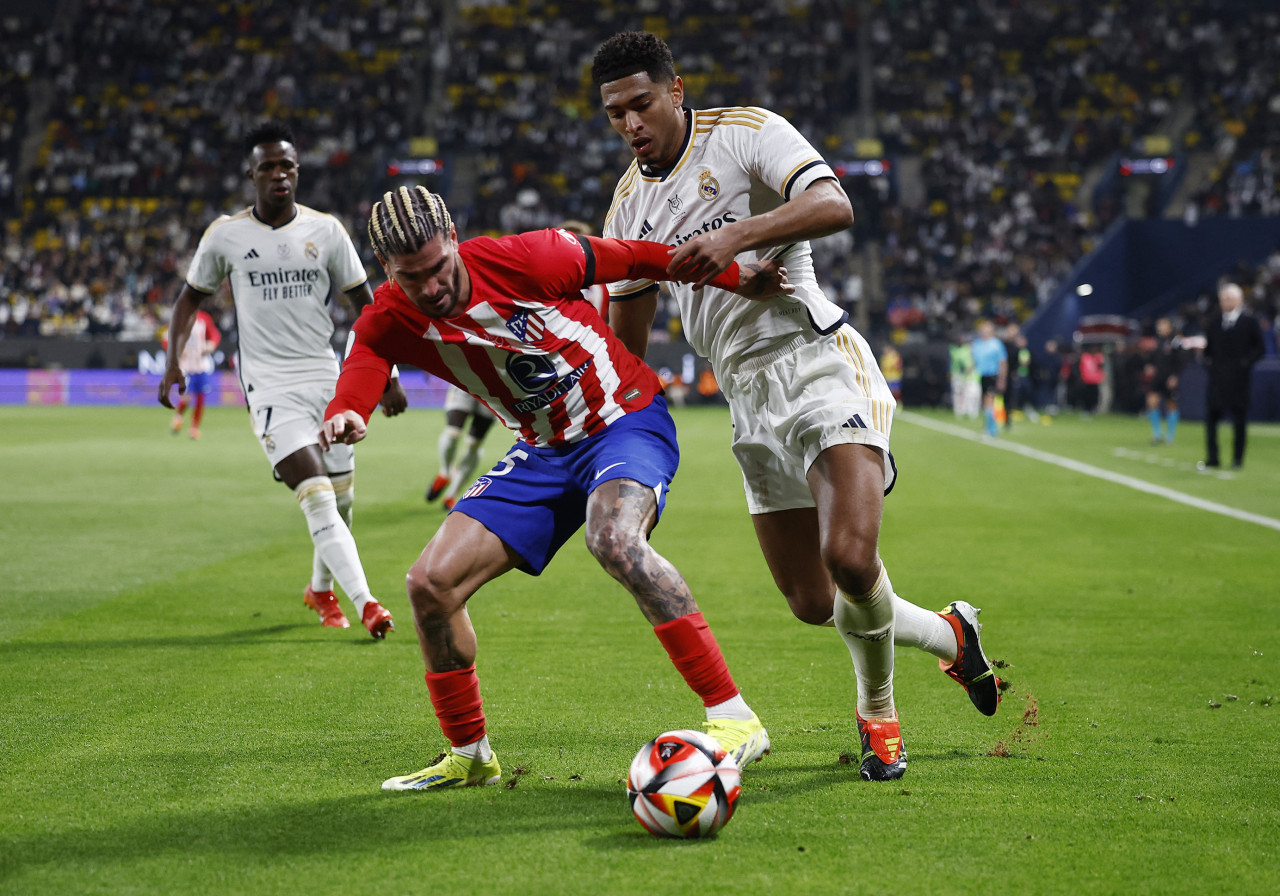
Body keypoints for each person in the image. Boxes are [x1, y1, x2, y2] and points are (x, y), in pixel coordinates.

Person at [592, 31, 1003, 783]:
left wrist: (736, 238)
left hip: (816, 364)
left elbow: (833, 203)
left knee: (851, 559)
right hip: (745, 402)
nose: (629, 125)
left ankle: (877, 712)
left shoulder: (747, 133)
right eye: (614, 113)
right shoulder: (627, 206)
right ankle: (952, 634)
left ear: (675, 91)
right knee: (814, 601)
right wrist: (623, 431)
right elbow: (629, 341)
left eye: (641, 105)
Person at [321, 186, 790, 790]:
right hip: (542, 452)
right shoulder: (389, 315)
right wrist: (348, 410)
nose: (432, 287)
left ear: (455, 240)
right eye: (413, 278)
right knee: (430, 585)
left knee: (614, 539)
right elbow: (362, 363)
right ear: (387, 270)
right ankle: (470, 754)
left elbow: (640, 257)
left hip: (623, 420)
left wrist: (738, 278)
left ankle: (735, 718)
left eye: (438, 268)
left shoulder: (533, 257)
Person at [158, 120, 406, 639]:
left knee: (342, 500)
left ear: (298, 172)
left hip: (327, 380)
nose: (278, 175)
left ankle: (320, 590)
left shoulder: (327, 232)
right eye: (268, 166)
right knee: (317, 494)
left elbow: (368, 307)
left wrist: (389, 374)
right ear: (251, 174)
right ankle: (368, 605)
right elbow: (189, 299)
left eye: (286, 166)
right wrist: (174, 362)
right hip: (270, 387)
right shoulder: (226, 236)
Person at [1200, 282, 1265, 469]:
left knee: (1239, 420)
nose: (1226, 301)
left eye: (1230, 298)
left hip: (1239, 381)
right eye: (1224, 298)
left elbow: (1259, 349)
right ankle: (1213, 458)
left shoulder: (1249, 322)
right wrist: (1209, 364)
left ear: (1239, 300)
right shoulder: (1214, 322)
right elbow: (1208, 349)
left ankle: (1237, 459)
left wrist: (1245, 364)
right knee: (1211, 419)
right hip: (1217, 379)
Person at [425, 383, 498, 511]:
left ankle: (452, 494)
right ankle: (445, 472)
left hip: (492, 386)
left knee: (474, 443)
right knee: (453, 432)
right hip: (464, 378)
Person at [165, 307, 221, 439]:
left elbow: (214, 334)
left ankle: (194, 428)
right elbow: (167, 337)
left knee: (201, 397)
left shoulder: (203, 318)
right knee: (187, 396)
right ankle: (178, 417)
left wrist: (211, 344)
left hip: (201, 365)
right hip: (186, 366)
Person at [1142, 317, 1185, 445]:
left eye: (1162, 325)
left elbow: (1181, 360)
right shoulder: (1158, 341)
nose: (1159, 327)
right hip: (1158, 377)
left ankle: (1170, 436)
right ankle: (1157, 434)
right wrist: (1150, 366)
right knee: (1151, 402)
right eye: (1158, 325)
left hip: (1169, 378)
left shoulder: (1176, 341)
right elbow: (1153, 358)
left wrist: (1175, 376)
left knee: (1171, 405)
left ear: (1169, 326)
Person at [971, 320, 1008, 436]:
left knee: (989, 400)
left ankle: (992, 429)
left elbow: (1003, 362)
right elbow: (975, 360)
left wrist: (1002, 379)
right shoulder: (977, 344)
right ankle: (988, 426)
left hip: (993, 375)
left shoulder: (996, 344)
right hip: (981, 375)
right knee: (985, 402)